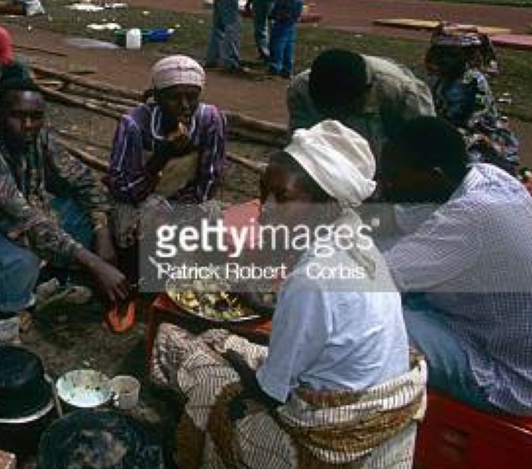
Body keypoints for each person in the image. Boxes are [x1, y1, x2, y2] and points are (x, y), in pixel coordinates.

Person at [151, 120, 425, 469]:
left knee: (184, 348)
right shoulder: (358, 242)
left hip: (327, 443)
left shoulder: (311, 279)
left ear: (325, 205)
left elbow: (270, 390)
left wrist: (233, 360)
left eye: (282, 197)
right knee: (226, 344)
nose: (264, 208)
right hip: (372, 411)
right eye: (263, 192)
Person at [380, 117, 532, 415]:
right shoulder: (486, 176)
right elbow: (410, 221)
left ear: (434, 175)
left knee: (363, 317)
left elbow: (374, 279)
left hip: (509, 380)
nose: (385, 183)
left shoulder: (472, 216)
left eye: (392, 176)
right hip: (507, 347)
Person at [0, 78, 129, 345]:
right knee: (23, 257)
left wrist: (103, 234)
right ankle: (2, 325)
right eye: (18, 116)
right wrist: (96, 263)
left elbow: (83, 181)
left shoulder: (38, 138)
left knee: (83, 214)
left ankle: (48, 283)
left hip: (14, 229)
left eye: (36, 117)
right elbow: (26, 222)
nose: (27, 125)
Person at [106, 56, 228, 280]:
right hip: (141, 201)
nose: (184, 106)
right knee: (148, 221)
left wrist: (181, 215)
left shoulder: (210, 119)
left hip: (186, 199)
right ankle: (139, 279)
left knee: (212, 214)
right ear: (157, 96)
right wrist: (161, 156)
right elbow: (123, 190)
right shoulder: (134, 124)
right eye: (174, 98)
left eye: (192, 97)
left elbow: (209, 180)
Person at [288, 49, 434, 155]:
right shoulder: (301, 88)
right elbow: (300, 141)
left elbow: (424, 144)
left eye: (343, 112)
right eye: (329, 112)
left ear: (366, 92)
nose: (339, 119)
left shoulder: (401, 90)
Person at [425, 25, 520, 171]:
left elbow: (465, 118)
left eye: (452, 55)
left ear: (466, 55)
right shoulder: (439, 78)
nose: (445, 59)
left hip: (475, 137)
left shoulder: (473, 80)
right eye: (442, 54)